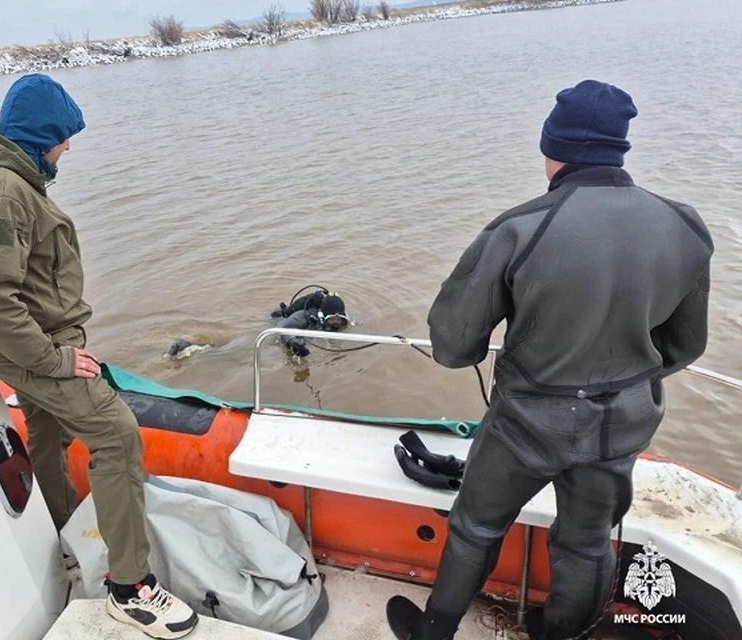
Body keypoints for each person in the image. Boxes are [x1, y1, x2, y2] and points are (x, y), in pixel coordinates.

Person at [395, 80, 714, 640]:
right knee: (588, 541)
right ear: (619, 148)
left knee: (476, 528)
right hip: (625, 422)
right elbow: (686, 347)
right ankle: (566, 635)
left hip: (526, 424)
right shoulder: (685, 224)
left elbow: (452, 345)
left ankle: (434, 633)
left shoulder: (519, 227)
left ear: (552, 149)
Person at [0, 73, 198, 639]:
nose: (70, 146)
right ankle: (130, 589)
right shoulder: (2, 190)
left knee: (48, 431)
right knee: (115, 432)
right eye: (64, 135)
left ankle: (62, 535)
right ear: (41, 136)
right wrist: (56, 360)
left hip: (36, 344)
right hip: (32, 349)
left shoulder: (11, 179)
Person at [163, 287, 351, 360]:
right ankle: (187, 345)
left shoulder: (342, 322)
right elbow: (282, 330)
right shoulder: (303, 316)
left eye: (339, 320)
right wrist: (293, 342)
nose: (336, 323)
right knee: (231, 352)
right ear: (320, 316)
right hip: (268, 335)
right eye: (331, 320)